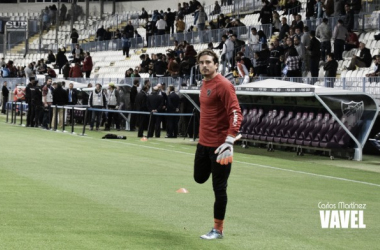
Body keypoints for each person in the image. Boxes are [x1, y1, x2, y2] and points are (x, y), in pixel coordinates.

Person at [194, 49, 242, 240]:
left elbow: (236, 112)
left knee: (219, 188)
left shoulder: (224, 85)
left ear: (216, 64)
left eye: (208, 62)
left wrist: (230, 138)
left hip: (221, 147)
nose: (204, 65)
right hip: (203, 144)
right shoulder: (204, 83)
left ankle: (218, 229)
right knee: (198, 178)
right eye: (201, 62)